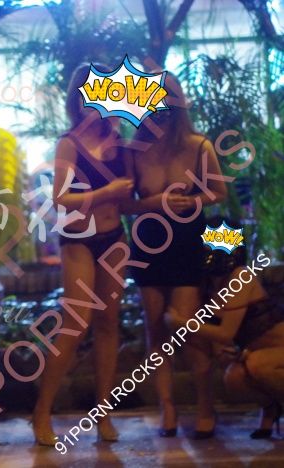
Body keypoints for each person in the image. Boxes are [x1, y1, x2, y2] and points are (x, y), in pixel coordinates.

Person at [32, 64, 134, 445]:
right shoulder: (69, 143)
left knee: (108, 323)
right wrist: (106, 193)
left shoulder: (119, 140)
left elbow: (129, 197)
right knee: (75, 325)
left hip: (113, 237)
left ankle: (103, 414)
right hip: (78, 239)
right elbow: (60, 198)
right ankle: (42, 412)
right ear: (78, 99)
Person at [123, 73, 227, 439]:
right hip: (148, 240)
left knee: (187, 325)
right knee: (154, 329)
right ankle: (166, 407)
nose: (161, 107)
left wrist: (192, 201)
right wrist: (152, 202)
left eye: (167, 99)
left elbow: (218, 192)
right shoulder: (134, 150)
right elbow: (125, 204)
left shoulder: (199, 145)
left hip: (186, 238)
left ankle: (205, 404)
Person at [166, 220, 283, 439]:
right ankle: (270, 409)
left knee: (257, 364)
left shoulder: (241, 276)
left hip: (276, 350)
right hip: (259, 353)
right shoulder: (210, 285)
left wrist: (181, 323)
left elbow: (225, 333)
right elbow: (221, 340)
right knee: (234, 378)